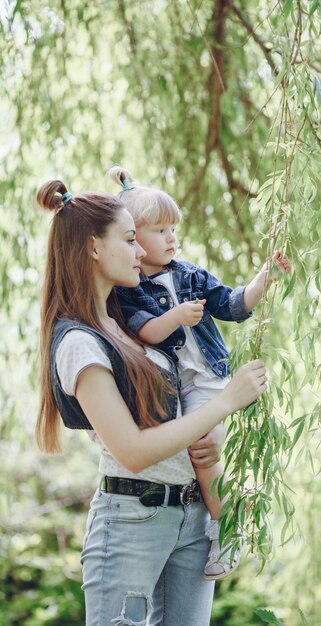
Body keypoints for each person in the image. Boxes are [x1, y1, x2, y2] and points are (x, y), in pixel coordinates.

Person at [36, 179, 267, 626]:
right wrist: (225, 403)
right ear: (93, 248)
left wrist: (211, 440)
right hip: (131, 524)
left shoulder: (128, 324)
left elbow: (179, 412)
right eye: (128, 239)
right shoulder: (80, 342)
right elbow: (133, 450)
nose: (141, 250)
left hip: (191, 516)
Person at [109, 166, 291, 580]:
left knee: (204, 449)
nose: (172, 238)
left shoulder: (191, 274)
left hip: (207, 379)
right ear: (134, 238)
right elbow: (147, 330)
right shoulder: (128, 288)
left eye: (174, 228)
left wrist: (264, 279)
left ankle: (225, 529)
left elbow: (232, 305)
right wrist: (176, 314)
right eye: (159, 230)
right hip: (172, 386)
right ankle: (206, 517)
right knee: (184, 449)